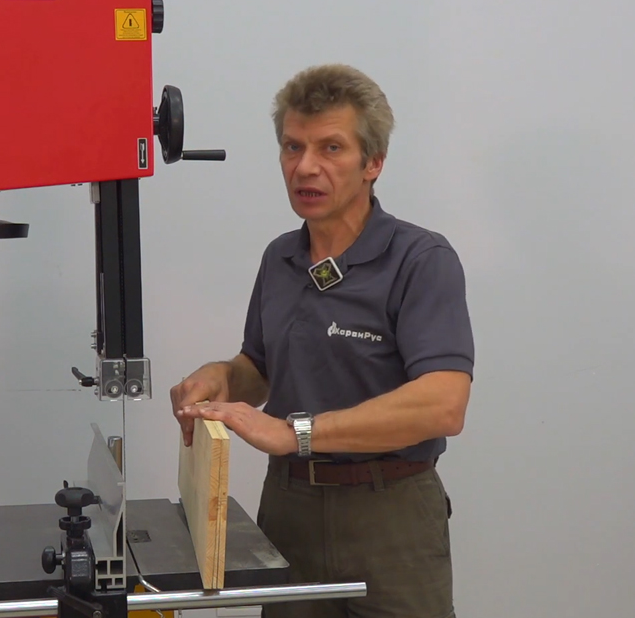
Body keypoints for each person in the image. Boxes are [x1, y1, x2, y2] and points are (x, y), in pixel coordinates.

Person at [171, 64, 473, 618]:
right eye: (293, 147)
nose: (305, 167)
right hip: (290, 508)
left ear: (373, 162)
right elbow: (261, 368)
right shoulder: (280, 257)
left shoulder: (420, 260)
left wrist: (296, 433)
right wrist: (224, 376)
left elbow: (443, 405)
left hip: (390, 512)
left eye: (331, 148)